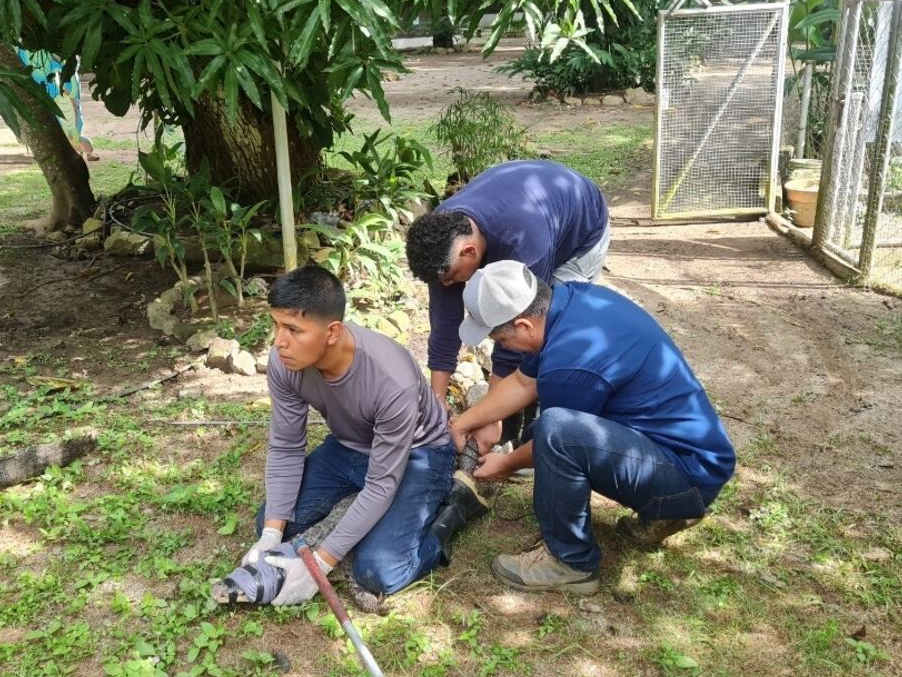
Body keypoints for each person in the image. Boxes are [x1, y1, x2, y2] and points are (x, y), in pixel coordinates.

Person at [448, 261, 736, 596]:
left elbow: (558, 440)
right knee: (549, 430)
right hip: (695, 458)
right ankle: (669, 511)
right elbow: (524, 383)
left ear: (524, 325)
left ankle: (570, 562)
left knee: (553, 430)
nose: (503, 347)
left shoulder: (570, 360)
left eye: (501, 339)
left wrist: (506, 465)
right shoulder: (572, 302)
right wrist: (464, 422)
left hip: (687, 477)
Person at [241, 266, 458, 605]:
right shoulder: (284, 362)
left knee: (379, 571)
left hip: (419, 452)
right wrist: (270, 535)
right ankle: (353, 509)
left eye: (293, 329)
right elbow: (285, 446)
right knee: (274, 522)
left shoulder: (390, 380)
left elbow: (382, 482)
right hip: (350, 446)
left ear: (332, 332)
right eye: (276, 325)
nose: (278, 341)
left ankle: (451, 515)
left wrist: (321, 566)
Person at [405, 160, 610, 442]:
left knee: (549, 329)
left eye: (451, 278)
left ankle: (538, 427)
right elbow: (444, 323)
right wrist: (436, 401)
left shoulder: (524, 241)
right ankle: (509, 420)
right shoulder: (440, 240)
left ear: (469, 252)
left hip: (580, 233)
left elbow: (515, 332)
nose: (447, 286)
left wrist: (492, 416)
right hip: (526, 207)